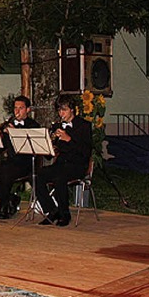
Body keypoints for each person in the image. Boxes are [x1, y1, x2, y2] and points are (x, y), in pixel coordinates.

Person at [35, 94, 92, 227]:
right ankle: (51, 210)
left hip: (78, 165)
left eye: (64, 110)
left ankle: (64, 213)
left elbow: (85, 152)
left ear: (72, 109)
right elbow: (50, 156)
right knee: (39, 175)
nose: (61, 113)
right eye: (59, 110)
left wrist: (69, 139)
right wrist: (50, 148)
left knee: (59, 178)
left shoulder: (84, 126)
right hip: (61, 163)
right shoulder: (57, 126)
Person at [0, 95, 40, 219]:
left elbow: (30, 149)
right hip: (10, 162)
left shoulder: (33, 126)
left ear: (28, 110)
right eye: (15, 108)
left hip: (25, 163)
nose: (17, 111)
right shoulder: (9, 124)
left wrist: (14, 133)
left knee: (6, 175)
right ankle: (10, 198)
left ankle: (4, 207)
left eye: (21, 108)